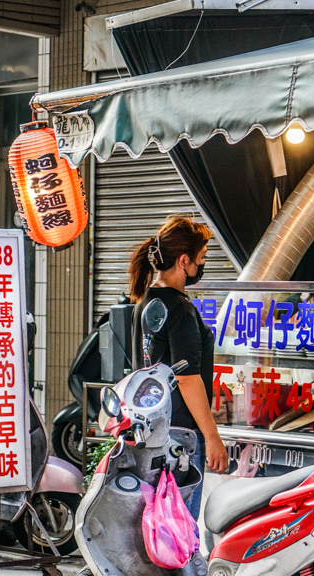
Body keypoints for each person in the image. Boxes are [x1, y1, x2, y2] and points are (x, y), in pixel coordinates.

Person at [128, 215, 229, 519]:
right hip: (180, 437)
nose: (201, 266)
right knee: (179, 530)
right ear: (184, 260)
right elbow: (187, 380)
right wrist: (212, 437)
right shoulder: (180, 308)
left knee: (157, 526)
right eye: (201, 259)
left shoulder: (144, 302)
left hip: (148, 431)